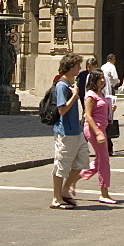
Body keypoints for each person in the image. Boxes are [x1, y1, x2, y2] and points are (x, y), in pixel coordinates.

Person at [52, 52, 89, 210]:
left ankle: (65, 190)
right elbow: (61, 110)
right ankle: (56, 197)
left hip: (77, 130)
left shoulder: (71, 82)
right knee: (62, 165)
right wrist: (74, 96)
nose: (80, 68)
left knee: (83, 160)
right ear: (70, 67)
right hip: (65, 131)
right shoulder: (61, 85)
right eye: (77, 65)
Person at [80, 68, 116, 204]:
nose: (102, 80)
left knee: (101, 159)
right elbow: (87, 116)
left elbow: (100, 110)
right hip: (94, 128)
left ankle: (76, 176)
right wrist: (97, 133)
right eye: (99, 78)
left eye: (103, 78)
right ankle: (104, 193)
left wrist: (110, 109)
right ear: (93, 80)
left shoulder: (100, 93)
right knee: (104, 160)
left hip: (102, 128)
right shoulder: (90, 95)